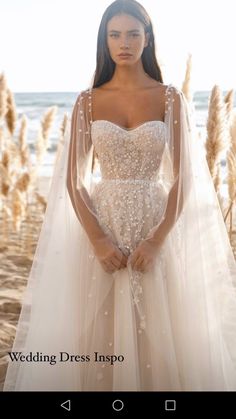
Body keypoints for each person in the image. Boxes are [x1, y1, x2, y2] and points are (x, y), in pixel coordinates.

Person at [3, 0, 236, 391]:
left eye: (132, 33)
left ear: (147, 40)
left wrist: (156, 239)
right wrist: (97, 239)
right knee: (98, 324)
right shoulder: (87, 101)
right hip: (101, 222)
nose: (123, 42)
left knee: (163, 326)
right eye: (115, 34)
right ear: (104, 41)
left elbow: (185, 178)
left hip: (156, 222)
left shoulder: (169, 98)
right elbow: (74, 181)